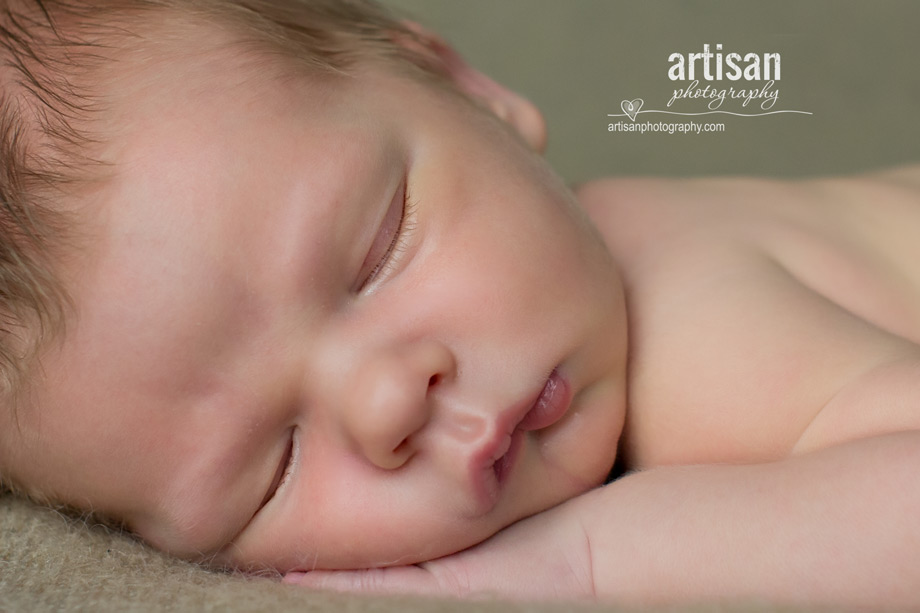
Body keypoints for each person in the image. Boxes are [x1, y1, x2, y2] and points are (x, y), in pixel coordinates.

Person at [1, 0, 917, 607]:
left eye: (376, 247)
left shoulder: (698, 335)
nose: (392, 399)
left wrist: (587, 565)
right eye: (269, 469)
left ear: (464, 88)